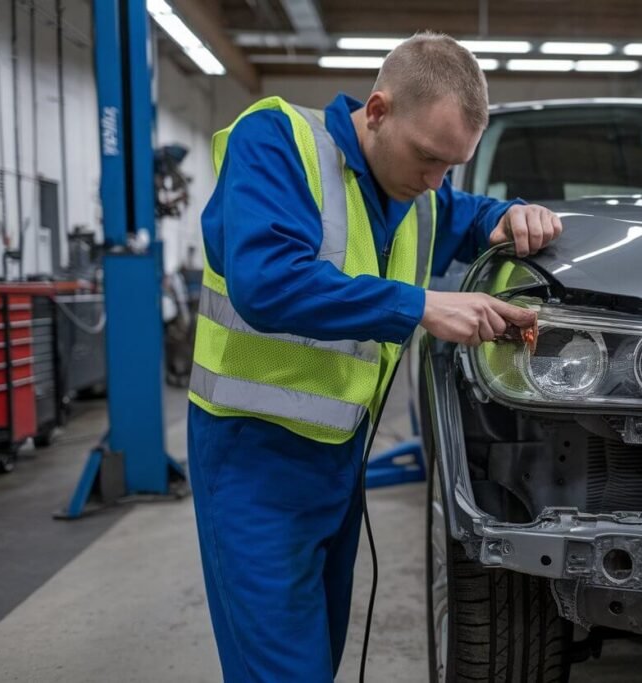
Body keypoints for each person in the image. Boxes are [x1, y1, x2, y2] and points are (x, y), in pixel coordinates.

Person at [185, 32, 562, 682]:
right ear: (379, 111)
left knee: (318, 656)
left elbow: (469, 216)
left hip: (338, 459)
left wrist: (515, 216)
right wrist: (421, 307)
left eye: (452, 165)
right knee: (281, 670)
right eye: (427, 158)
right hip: (253, 460)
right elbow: (266, 281)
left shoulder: (416, 193)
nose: (434, 181)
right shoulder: (278, 140)